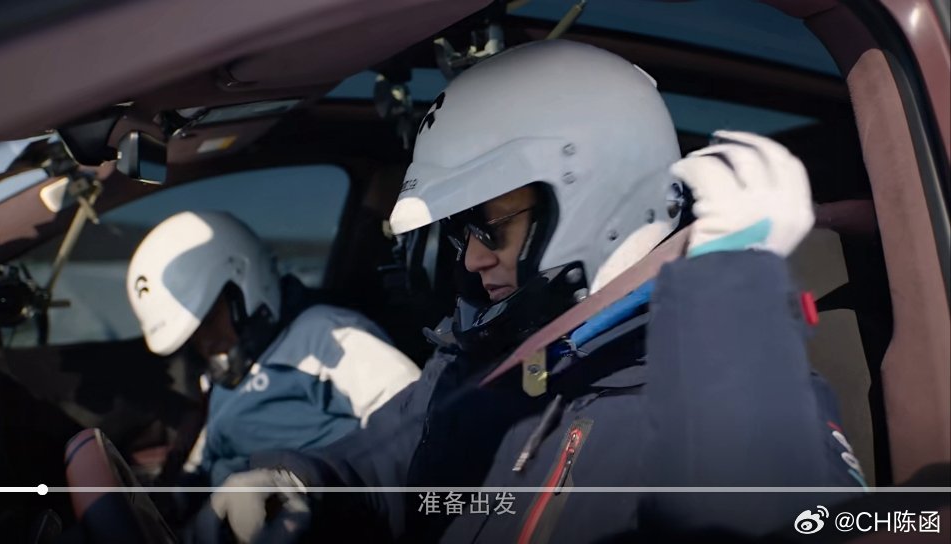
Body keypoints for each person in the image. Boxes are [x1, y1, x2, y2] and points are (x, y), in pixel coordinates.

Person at [201, 40, 865, 543]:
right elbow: (396, 465)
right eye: (460, 232)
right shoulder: (488, 355)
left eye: (490, 224)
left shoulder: (743, 392)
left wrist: (729, 300)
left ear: (591, 194)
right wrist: (303, 481)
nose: (473, 259)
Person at [126, 210, 421, 488]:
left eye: (210, 319)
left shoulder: (323, 336)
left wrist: (305, 483)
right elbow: (202, 460)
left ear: (242, 283)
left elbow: (417, 423)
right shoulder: (223, 379)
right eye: (193, 335)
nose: (206, 343)